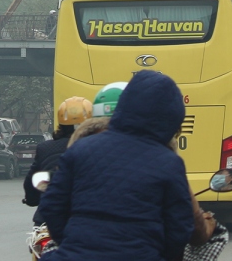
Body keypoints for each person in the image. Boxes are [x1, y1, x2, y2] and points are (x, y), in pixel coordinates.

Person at [39, 70, 194, 261]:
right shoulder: (169, 163)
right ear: (172, 118)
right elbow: (180, 227)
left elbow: (52, 205)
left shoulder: (80, 149)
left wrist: (72, 245)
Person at [23, 96, 92, 222]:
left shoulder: (45, 147)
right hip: (85, 218)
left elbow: (31, 181)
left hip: (47, 217)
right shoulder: (96, 147)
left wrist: (31, 199)